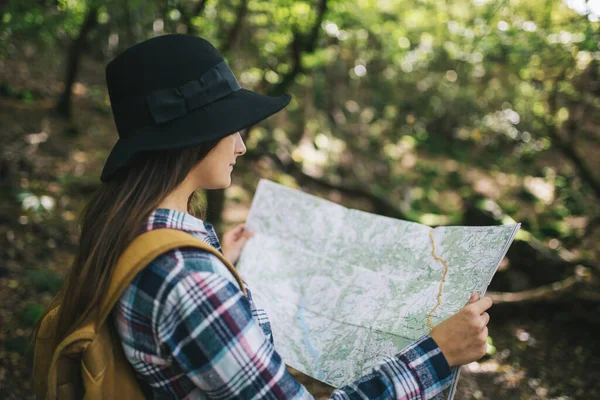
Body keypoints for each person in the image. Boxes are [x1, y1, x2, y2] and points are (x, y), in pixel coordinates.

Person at [39, 34, 493, 399]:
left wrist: (220, 263)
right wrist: (437, 354)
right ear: (191, 136)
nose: (240, 143)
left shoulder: (124, 228)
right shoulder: (188, 277)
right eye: (229, 126)